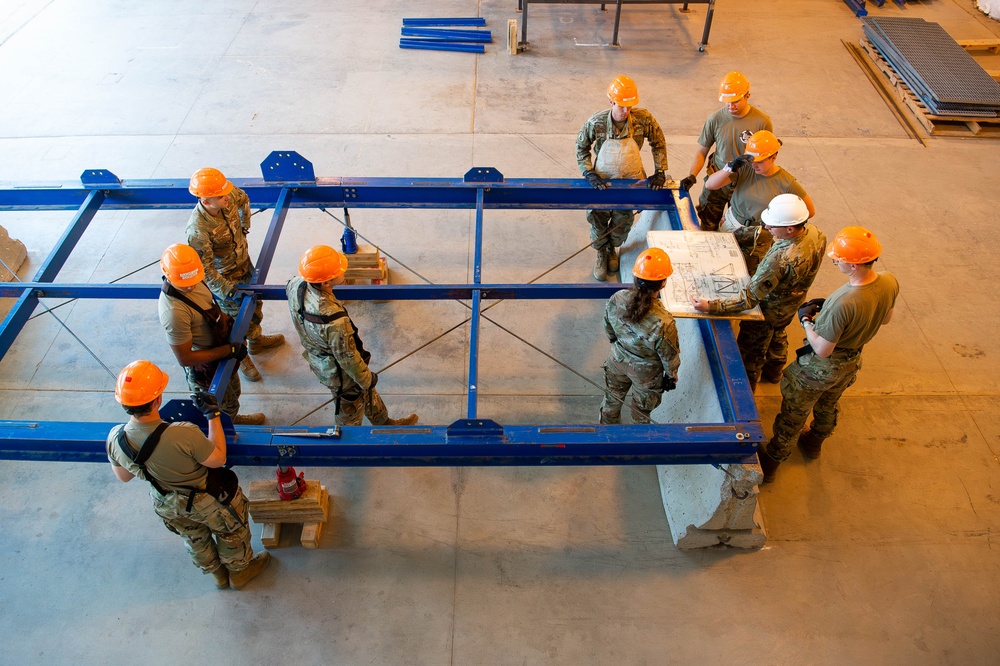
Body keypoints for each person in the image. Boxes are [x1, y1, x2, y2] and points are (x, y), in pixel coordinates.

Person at [106, 360, 271, 590]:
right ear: (157, 399)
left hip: (167, 503)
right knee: (230, 532)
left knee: (194, 538)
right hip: (206, 501)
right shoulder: (182, 434)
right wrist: (213, 416)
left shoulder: (116, 438)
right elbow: (218, 459)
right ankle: (240, 572)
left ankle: (218, 575)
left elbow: (124, 476)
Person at [757, 227, 899, 484]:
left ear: (854, 265)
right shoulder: (889, 281)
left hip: (819, 369)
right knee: (828, 403)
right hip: (851, 362)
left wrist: (807, 321)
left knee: (795, 411)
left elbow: (823, 349)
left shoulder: (844, 302)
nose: (835, 261)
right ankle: (814, 442)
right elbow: (885, 319)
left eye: (839, 259)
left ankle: (773, 460)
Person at [691, 194, 826, 391]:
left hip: (767, 311)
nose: (767, 228)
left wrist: (710, 306)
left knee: (751, 353)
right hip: (792, 303)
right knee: (778, 333)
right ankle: (775, 371)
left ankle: (747, 388)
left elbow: (749, 299)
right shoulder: (816, 234)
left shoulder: (779, 259)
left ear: (790, 229)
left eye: (772, 225)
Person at [286, 245, 419, 427]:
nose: (344, 271)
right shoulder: (333, 320)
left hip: (319, 357)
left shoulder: (296, 285)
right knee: (350, 405)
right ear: (325, 282)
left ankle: (384, 423)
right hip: (341, 375)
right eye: (339, 271)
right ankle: (347, 442)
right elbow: (347, 359)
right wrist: (366, 378)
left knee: (367, 390)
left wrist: (367, 382)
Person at [186, 167, 285, 382]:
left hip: (243, 264)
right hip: (226, 280)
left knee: (255, 308)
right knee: (234, 322)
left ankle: (256, 342)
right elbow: (206, 270)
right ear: (206, 202)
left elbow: (243, 198)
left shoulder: (227, 195)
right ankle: (243, 357)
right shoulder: (198, 231)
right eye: (221, 197)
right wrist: (228, 292)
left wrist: (244, 226)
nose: (227, 198)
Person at [158, 244, 265, 425]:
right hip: (205, 365)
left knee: (233, 393)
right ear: (168, 276)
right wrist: (227, 350)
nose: (191, 286)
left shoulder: (194, 278)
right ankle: (226, 431)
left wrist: (230, 328)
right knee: (217, 407)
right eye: (185, 284)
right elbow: (185, 358)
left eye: (194, 280)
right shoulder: (174, 311)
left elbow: (210, 307)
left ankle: (232, 419)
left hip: (220, 349)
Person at [577, 75, 670, 282]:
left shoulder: (643, 119)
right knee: (598, 220)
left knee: (622, 222)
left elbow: (658, 142)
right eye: (621, 106)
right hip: (602, 180)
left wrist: (660, 170)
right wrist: (588, 172)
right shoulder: (596, 122)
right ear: (611, 102)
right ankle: (602, 252)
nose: (626, 111)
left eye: (630, 106)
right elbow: (581, 147)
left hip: (631, 179)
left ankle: (613, 248)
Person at [704, 130, 816, 274]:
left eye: (760, 162)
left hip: (759, 236)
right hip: (732, 225)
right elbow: (710, 185)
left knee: (748, 272)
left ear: (773, 157)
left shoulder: (786, 183)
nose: (754, 166)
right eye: (752, 161)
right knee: (722, 265)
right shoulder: (745, 169)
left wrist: (780, 226)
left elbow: (810, 211)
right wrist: (730, 168)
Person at [679, 71, 773, 232]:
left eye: (735, 101)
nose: (731, 106)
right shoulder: (715, 119)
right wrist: (692, 175)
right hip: (718, 180)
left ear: (747, 96)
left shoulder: (761, 122)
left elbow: (767, 157)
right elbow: (702, 151)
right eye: (727, 102)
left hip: (744, 185)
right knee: (708, 226)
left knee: (739, 229)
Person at [600, 248, 680, 425]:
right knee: (641, 412)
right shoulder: (664, 321)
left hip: (617, 360)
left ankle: (606, 437)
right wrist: (671, 375)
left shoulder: (618, 298)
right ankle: (637, 443)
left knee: (612, 400)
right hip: (646, 373)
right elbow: (669, 357)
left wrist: (618, 344)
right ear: (663, 283)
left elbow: (609, 328)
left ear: (636, 277)